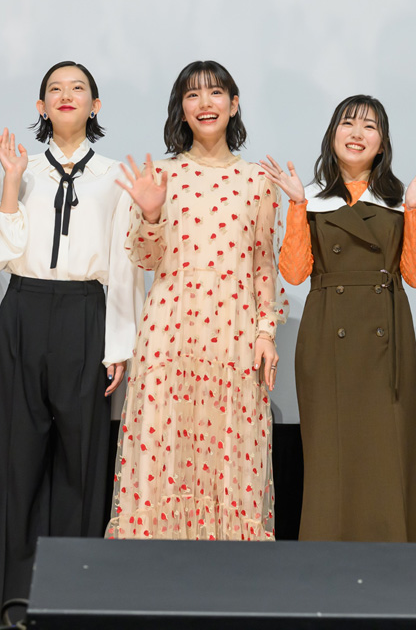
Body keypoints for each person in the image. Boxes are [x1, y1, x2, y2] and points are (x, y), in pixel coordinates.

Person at [0, 61, 143, 626]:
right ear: (41, 106)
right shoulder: (21, 167)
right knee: (12, 463)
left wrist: (119, 344)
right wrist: (12, 182)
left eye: (78, 88)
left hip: (85, 312)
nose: (66, 95)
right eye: (55, 89)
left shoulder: (115, 175)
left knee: (81, 463)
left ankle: (72, 604)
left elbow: (124, 266)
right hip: (23, 308)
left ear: (95, 105)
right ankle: (1, 608)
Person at [107, 60, 287, 540]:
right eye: (193, 95)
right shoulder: (161, 175)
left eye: (215, 93)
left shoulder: (257, 180)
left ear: (234, 103)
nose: (205, 103)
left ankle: (228, 579)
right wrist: (150, 214)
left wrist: (266, 332)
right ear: (181, 109)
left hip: (234, 334)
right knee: (163, 454)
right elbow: (146, 258)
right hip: (171, 331)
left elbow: (264, 265)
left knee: (232, 456)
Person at [260, 95, 416, 542]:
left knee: (388, 452)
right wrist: (295, 206)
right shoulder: (309, 198)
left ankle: (394, 552)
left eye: (369, 126)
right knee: (330, 453)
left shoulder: (399, 200)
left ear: (382, 143)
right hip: (327, 332)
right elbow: (294, 273)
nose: (357, 133)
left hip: (387, 337)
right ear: (332, 136)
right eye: (347, 123)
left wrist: (414, 210)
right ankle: (327, 553)